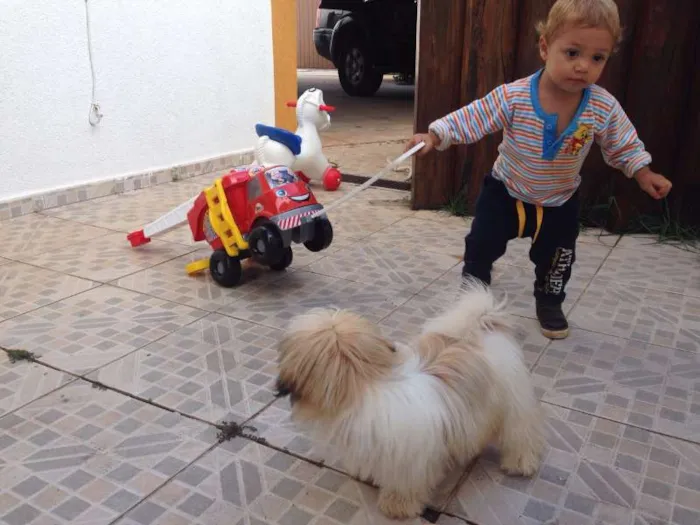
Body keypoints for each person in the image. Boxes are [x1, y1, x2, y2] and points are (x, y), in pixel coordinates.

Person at [406, 0, 672, 339]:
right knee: (480, 246)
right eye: (572, 52)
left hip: (559, 202)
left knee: (558, 258)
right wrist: (435, 135)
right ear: (545, 47)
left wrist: (643, 172)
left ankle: (549, 302)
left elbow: (622, 142)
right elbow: (475, 116)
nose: (583, 67)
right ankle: (471, 297)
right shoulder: (515, 96)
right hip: (505, 192)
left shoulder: (602, 106)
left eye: (597, 58)